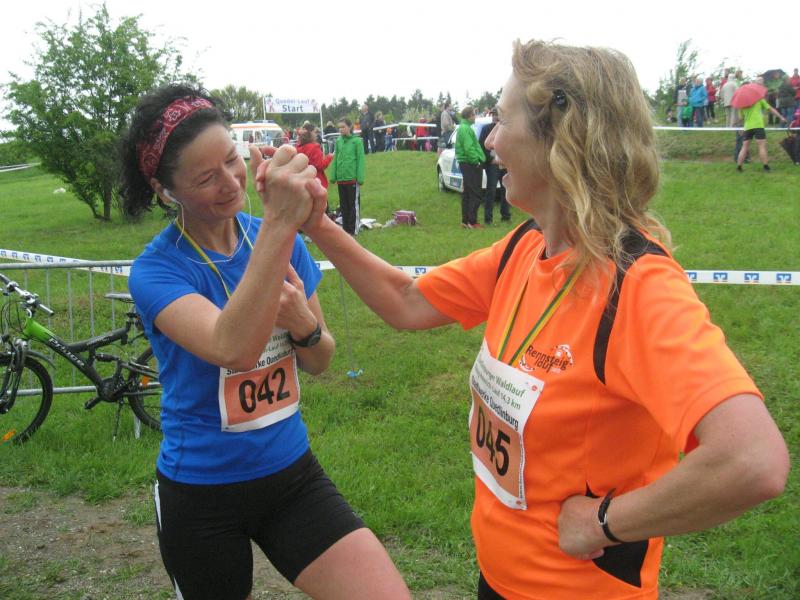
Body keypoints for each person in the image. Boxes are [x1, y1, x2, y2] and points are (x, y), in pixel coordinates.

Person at [280, 39, 790, 599]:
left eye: (501, 120)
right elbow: (407, 300)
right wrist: (318, 224)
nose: (490, 141)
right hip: (499, 578)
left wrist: (603, 523)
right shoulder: (527, 246)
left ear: (562, 139)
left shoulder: (636, 288)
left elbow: (751, 459)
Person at [119, 85, 409, 600]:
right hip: (201, 492)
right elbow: (231, 348)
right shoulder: (157, 270)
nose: (230, 182)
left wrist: (303, 325)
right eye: (206, 177)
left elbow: (320, 359)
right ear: (166, 191)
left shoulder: (278, 239)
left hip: (291, 476)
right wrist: (280, 221)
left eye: (231, 160)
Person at [736, 86, 787, 172]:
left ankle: (739, 167)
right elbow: (770, 109)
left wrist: (740, 127)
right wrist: (781, 117)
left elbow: (740, 118)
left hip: (748, 127)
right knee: (762, 146)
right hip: (758, 126)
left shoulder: (742, 104)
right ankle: (766, 167)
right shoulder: (759, 99)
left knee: (744, 147)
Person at [330, 117, 365, 235]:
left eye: (343, 127)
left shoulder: (357, 142)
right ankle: (345, 230)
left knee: (353, 206)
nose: (340, 129)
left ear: (350, 127)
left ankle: (353, 229)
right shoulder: (338, 141)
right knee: (344, 206)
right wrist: (333, 175)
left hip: (352, 179)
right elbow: (335, 158)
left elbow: (360, 160)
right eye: (339, 127)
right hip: (341, 179)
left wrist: (360, 178)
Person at [478, 107, 511, 225]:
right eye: (494, 115)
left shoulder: (506, 129)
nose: (495, 117)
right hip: (492, 164)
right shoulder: (486, 128)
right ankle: (488, 219)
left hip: (503, 163)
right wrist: (491, 159)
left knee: (505, 189)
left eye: (497, 115)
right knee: (491, 191)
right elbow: (482, 146)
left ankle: (506, 216)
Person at [455, 105, 485, 229]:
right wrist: (476, 161)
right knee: (475, 193)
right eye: (473, 114)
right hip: (470, 163)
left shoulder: (463, 128)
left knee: (467, 192)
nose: (475, 117)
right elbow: (469, 148)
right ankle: (472, 222)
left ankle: (465, 221)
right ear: (469, 116)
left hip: (465, 163)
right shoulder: (465, 129)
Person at [296, 121, 333, 189]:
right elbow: (321, 165)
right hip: (316, 180)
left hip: (303, 181)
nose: (316, 134)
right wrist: (329, 157)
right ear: (310, 134)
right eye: (315, 132)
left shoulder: (298, 147)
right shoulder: (314, 147)